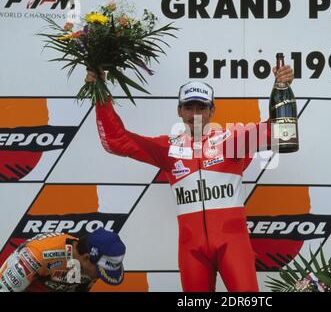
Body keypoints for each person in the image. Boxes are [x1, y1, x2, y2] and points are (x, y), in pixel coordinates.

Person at [90, 66, 294, 292]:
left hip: (233, 244)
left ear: (212, 110)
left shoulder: (233, 140)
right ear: (179, 110)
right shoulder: (168, 148)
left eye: (202, 107)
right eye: (189, 107)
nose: (195, 113)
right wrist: (100, 90)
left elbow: (280, 131)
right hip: (192, 249)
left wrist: (281, 86)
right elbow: (116, 139)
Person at [0, 227, 126, 292]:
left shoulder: (89, 267)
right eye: (100, 272)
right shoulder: (37, 255)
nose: (99, 278)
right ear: (86, 258)